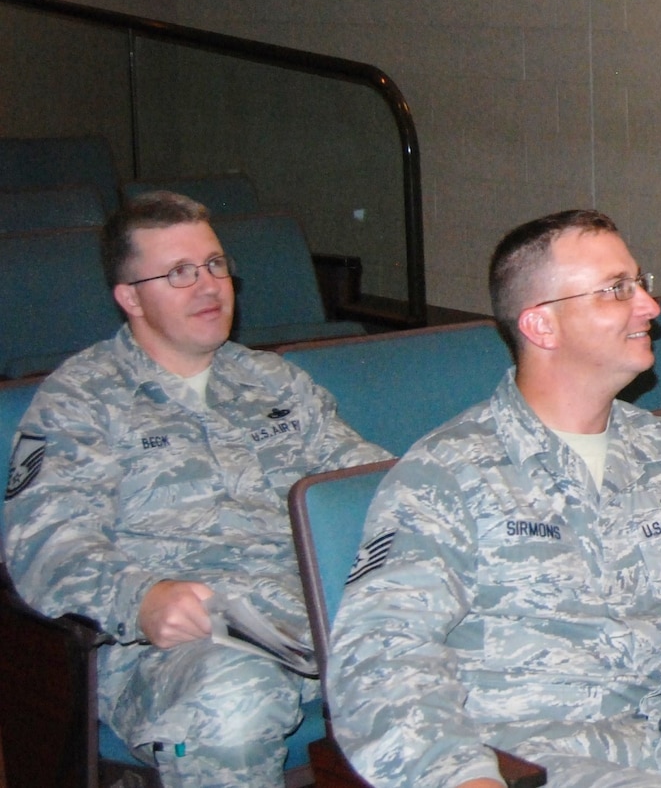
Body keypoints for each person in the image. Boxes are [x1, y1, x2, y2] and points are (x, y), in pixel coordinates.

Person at [326, 210, 661, 788]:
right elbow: (381, 654)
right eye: (616, 290)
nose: (649, 306)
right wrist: (455, 774)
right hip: (533, 756)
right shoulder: (449, 472)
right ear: (542, 325)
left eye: (639, 283)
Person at [4, 191, 390, 788]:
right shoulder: (81, 401)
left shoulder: (273, 381)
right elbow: (46, 544)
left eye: (214, 265)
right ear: (130, 298)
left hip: (306, 618)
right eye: (179, 272)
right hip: (173, 647)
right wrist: (141, 598)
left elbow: (360, 483)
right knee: (236, 701)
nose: (208, 286)